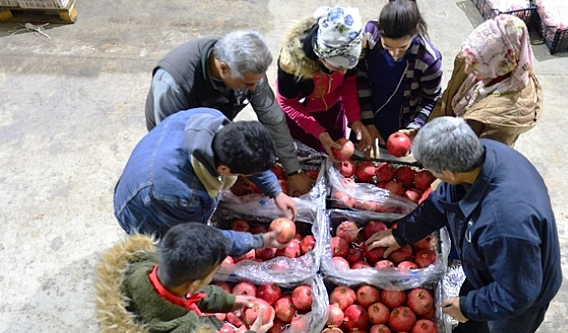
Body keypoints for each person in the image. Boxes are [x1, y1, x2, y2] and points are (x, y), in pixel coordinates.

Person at [366, 117, 562, 333]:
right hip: (488, 270)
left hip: (517, 297)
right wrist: (401, 234)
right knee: (469, 326)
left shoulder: (504, 224)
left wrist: (469, 306)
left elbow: (519, 293)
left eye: (432, 170)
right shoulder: (484, 155)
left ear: (448, 172)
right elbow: (441, 201)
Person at [145, 30, 313, 196]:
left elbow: (272, 117)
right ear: (223, 69)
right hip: (174, 130)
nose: (254, 89)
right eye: (247, 84)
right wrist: (230, 171)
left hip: (216, 122)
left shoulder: (247, 66)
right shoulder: (172, 83)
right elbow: (177, 145)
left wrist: (293, 170)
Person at [114, 107, 296, 256]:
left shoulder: (213, 120)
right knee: (170, 254)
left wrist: (275, 191)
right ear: (224, 170)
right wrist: (259, 241)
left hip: (150, 169)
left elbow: (248, 152)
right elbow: (196, 238)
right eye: (245, 173)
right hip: (142, 207)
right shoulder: (181, 193)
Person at [95, 223, 274, 333]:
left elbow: (186, 293)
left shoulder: (132, 271)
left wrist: (226, 300)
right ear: (193, 284)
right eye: (212, 274)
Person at [276, 5, 373, 160]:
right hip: (302, 118)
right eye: (336, 67)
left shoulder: (351, 52)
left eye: (348, 67)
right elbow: (287, 103)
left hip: (333, 111)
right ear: (321, 56)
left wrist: (355, 120)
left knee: (333, 158)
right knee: (307, 161)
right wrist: (318, 132)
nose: (342, 73)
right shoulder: (293, 65)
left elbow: (348, 85)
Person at [429, 14, 542, 147]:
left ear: (500, 67)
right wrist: (426, 135)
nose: (467, 70)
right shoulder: (472, 60)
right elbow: (446, 101)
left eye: (478, 66)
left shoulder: (506, 114)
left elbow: (477, 158)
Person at [356, 0, 443, 157]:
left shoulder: (429, 60)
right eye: (387, 46)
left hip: (399, 126)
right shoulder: (370, 35)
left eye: (403, 47)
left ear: (415, 31)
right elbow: (360, 79)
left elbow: (431, 99)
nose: (395, 54)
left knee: (388, 164)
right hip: (366, 114)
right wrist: (367, 121)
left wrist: (414, 127)